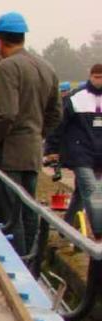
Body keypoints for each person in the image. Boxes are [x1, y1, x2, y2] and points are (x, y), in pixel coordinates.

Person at [0, 12, 62, 256]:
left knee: (11, 212)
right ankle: (33, 264)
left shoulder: (7, 67)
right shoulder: (46, 67)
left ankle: (19, 264)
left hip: (10, 153)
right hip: (33, 153)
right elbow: (56, 113)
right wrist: (37, 134)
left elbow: (5, 114)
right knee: (29, 211)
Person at [45, 64, 102, 238]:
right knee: (93, 191)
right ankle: (99, 235)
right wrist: (52, 149)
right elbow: (58, 125)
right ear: (90, 76)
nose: (99, 81)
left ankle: (66, 228)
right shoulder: (76, 98)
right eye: (96, 77)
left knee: (81, 193)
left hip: (99, 154)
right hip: (80, 153)